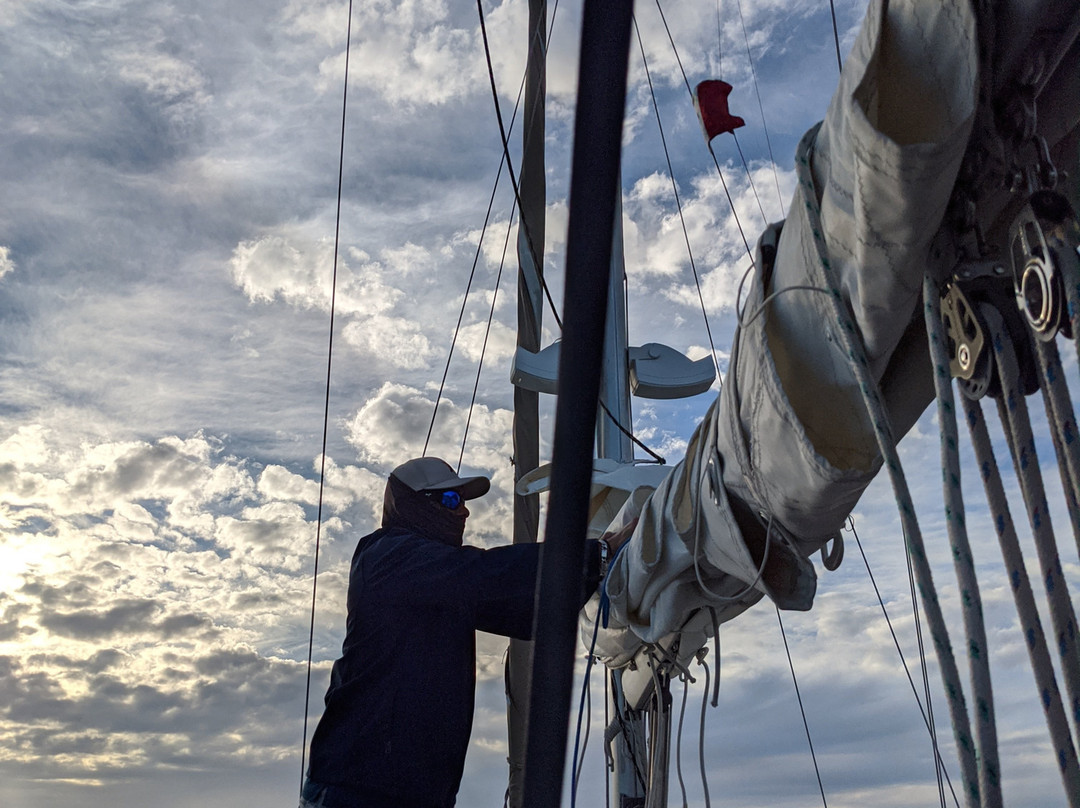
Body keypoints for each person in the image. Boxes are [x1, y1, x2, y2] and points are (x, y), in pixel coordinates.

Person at [300, 456, 634, 808]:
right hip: (358, 792)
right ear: (414, 505)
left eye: (462, 502)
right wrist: (596, 553)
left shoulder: (439, 583)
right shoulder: (387, 558)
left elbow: (521, 608)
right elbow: (487, 575)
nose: (463, 513)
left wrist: (595, 574)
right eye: (450, 500)